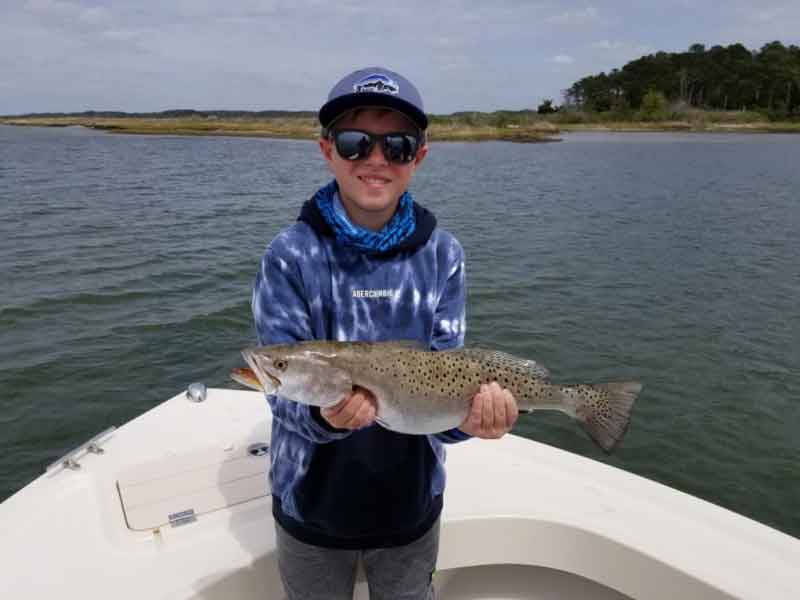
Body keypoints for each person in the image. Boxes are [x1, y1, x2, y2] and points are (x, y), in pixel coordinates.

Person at [252, 66, 518, 600]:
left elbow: (448, 376)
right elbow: (282, 395)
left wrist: (472, 421)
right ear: (327, 150)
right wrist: (323, 417)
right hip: (309, 502)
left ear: (418, 157)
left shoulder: (444, 255)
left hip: (410, 506)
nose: (376, 159)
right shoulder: (289, 255)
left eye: (397, 145)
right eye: (355, 142)